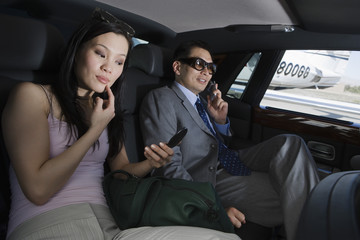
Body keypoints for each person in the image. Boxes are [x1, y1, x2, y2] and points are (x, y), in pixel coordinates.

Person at [2, 10, 240, 240]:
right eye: (100, 54)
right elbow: (38, 190)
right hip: (48, 223)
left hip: (112, 224)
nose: (109, 68)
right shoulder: (32, 96)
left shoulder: (105, 109)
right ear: (76, 50)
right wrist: (95, 129)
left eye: (119, 62)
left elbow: (122, 172)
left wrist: (151, 163)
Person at [139, 40, 320, 240]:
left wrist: (221, 121)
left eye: (210, 67)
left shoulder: (202, 101)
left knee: (291, 144)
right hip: (207, 178)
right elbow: (167, 164)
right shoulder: (162, 98)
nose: (207, 72)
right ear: (177, 67)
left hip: (229, 161)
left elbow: (218, 143)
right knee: (296, 195)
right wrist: (210, 205)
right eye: (199, 64)